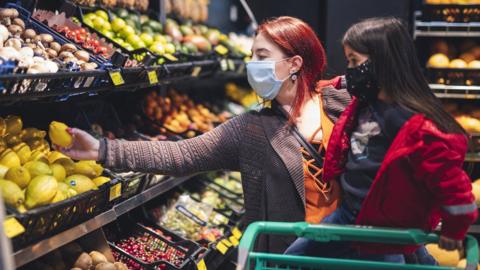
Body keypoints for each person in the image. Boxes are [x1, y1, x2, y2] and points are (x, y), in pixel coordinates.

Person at [58, 16, 351, 254]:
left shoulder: (341, 101)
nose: (252, 65)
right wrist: (102, 150)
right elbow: (182, 154)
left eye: (262, 56)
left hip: (348, 249)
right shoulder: (250, 129)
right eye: (252, 56)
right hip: (289, 256)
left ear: (294, 63)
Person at [285, 17, 478, 264]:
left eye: (354, 60)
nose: (350, 69)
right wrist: (324, 85)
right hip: (349, 214)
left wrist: (454, 229)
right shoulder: (367, 102)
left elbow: (450, 182)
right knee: (293, 258)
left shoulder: (415, 125)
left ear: (382, 63)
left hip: (384, 227)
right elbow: (347, 80)